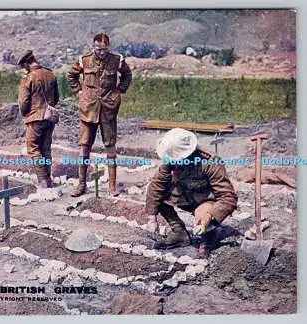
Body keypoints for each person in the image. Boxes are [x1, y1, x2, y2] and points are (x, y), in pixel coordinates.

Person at [144, 128, 238, 258]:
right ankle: (180, 233)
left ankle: (208, 238)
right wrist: (151, 217)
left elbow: (228, 197)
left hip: (205, 200)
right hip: (184, 196)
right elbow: (156, 185)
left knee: (204, 216)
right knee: (157, 197)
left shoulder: (211, 162)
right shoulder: (171, 159)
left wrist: (208, 217)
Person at [66, 32, 132, 197]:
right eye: (98, 49)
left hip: (108, 109)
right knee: (84, 146)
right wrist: (79, 92)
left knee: (110, 146)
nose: (101, 52)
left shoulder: (117, 60)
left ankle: (112, 187)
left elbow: (127, 75)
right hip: (88, 109)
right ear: (93, 46)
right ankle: (81, 185)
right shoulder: (84, 60)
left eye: (104, 49)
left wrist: (119, 90)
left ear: (108, 47)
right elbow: (71, 75)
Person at [17, 50, 60, 188]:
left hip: (35, 118)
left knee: (34, 149)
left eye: (23, 66)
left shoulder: (28, 78)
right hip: (49, 117)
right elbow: (56, 97)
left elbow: (23, 102)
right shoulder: (50, 74)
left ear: (26, 64)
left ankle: (42, 180)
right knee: (46, 149)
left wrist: (25, 113)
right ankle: (48, 178)